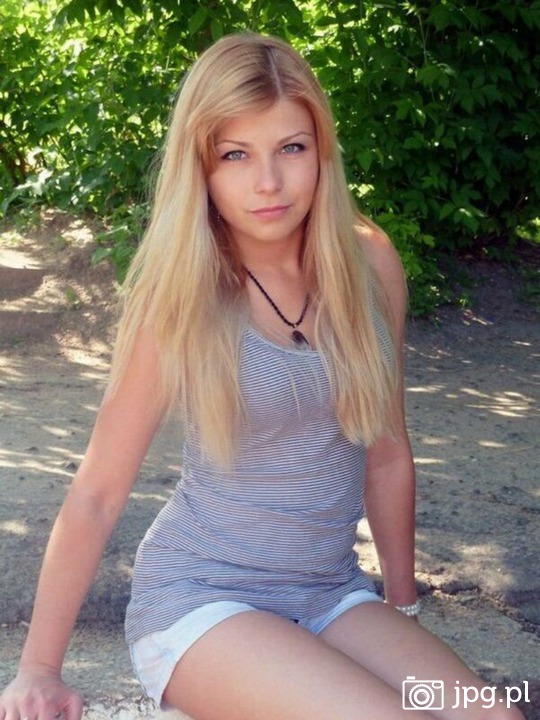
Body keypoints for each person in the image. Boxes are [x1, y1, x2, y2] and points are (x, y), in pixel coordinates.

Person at [0, 33, 525, 720]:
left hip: (330, 593)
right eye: (236, 155)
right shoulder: (182, 293)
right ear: (201, 167)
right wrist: (38, 670)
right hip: (202, 599)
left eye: (291, 148)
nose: (269, 182)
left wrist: (403, 611)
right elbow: (98, 492)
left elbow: (388, 453)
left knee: (495, 717)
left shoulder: (370, 265)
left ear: (322, 149)